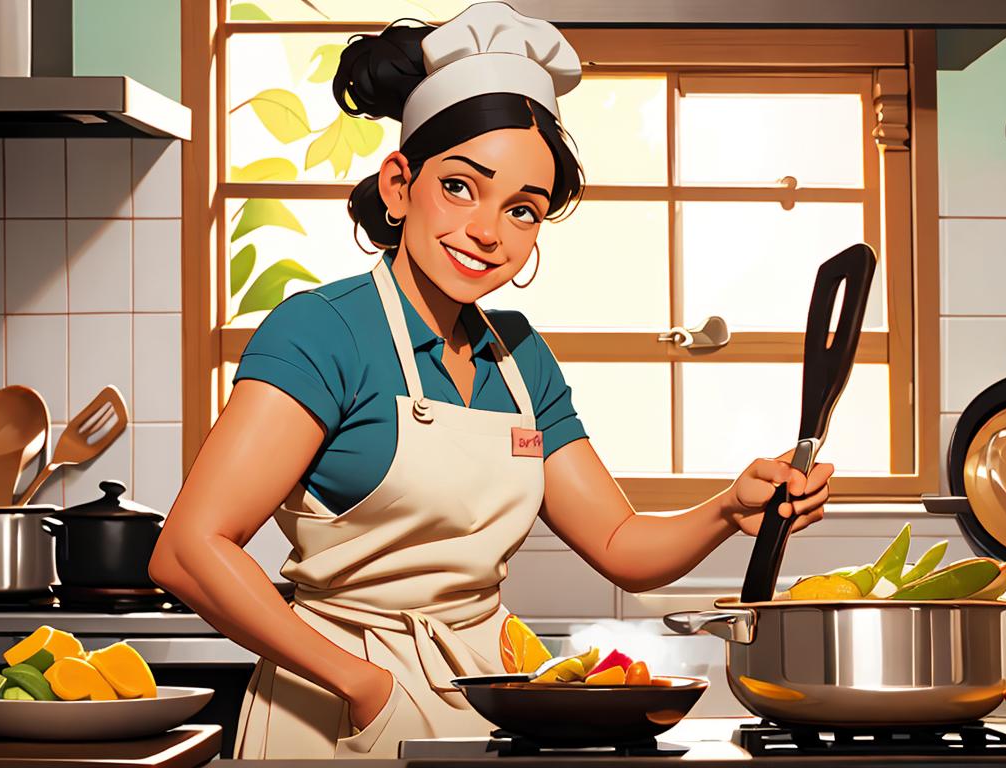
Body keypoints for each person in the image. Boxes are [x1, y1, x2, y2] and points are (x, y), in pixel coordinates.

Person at [148, 2, 833, 759]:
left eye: (523, 210)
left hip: (488, 701)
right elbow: (189, 548)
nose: (488, 232)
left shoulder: (519, 356)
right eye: (461, 187)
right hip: (337, 708)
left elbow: (619, 543)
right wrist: (362, 683)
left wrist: (727, 508)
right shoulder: (324, 332)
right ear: (401, 184)